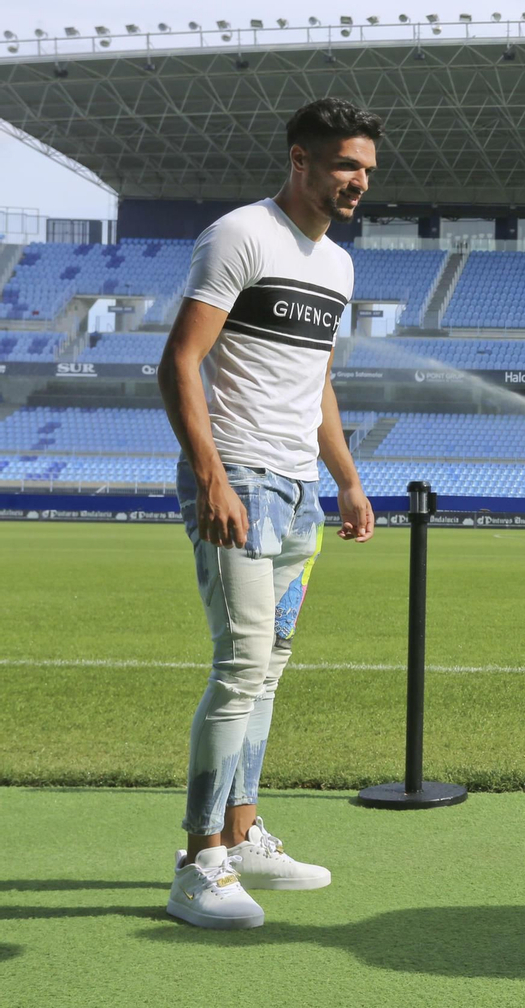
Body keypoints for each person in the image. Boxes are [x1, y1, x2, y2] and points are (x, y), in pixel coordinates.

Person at [156, 97, 383, 930]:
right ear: (300, 160)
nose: (357, 181)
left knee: (271, 666)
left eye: (364, 168)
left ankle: (245, 832)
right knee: (241, 663)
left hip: (300, 494)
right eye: (343, 166)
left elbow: (315, 380)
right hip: (240, 484)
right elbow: (180, 359)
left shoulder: (339, 266)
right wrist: (210, 475)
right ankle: (198, 860)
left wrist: (348, 480)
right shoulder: (239, 235)